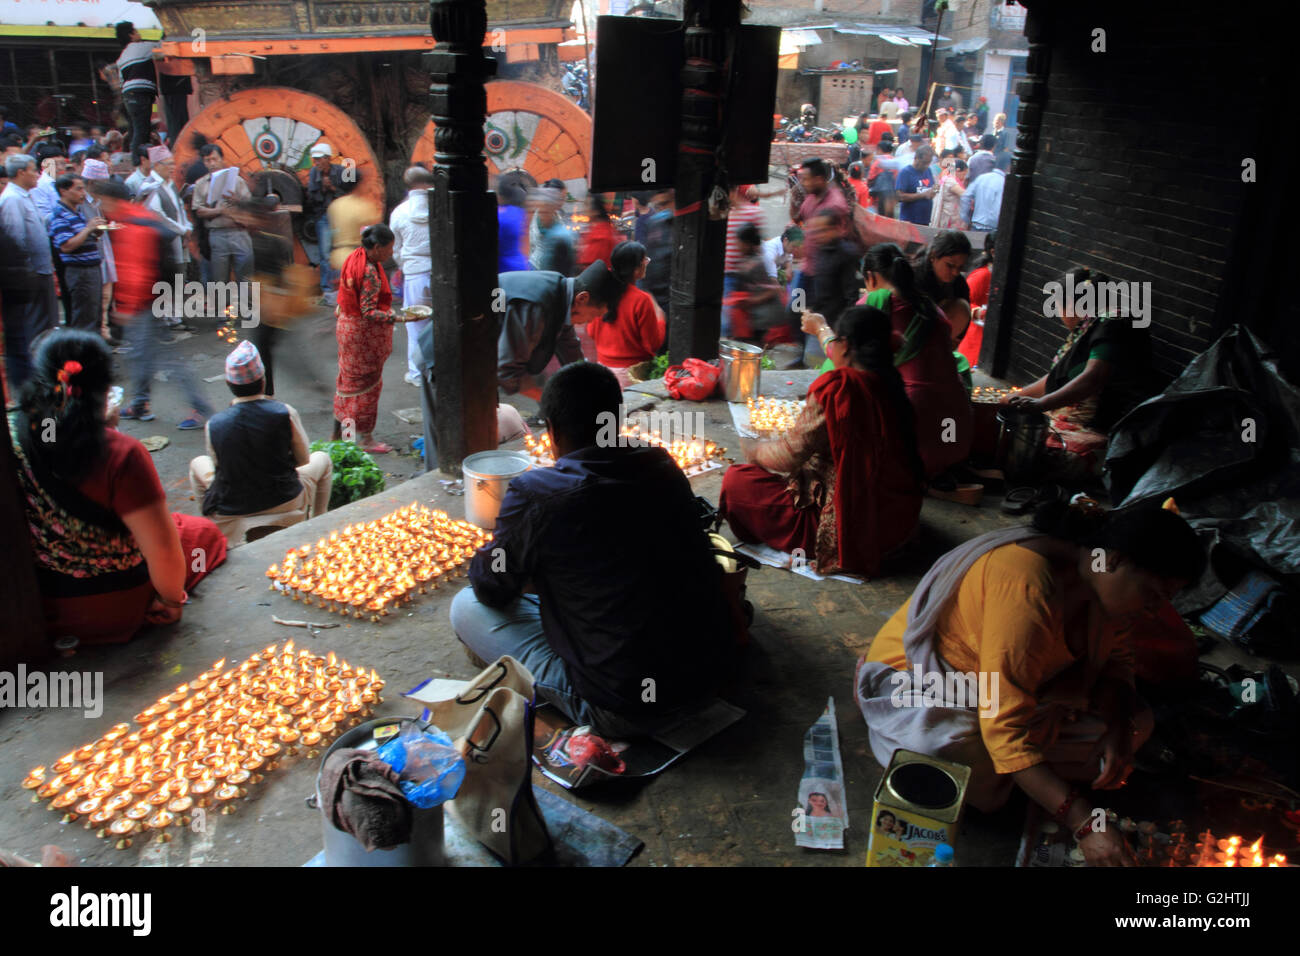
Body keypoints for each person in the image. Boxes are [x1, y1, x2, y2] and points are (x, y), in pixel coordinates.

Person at [855, 499, 1207, 864]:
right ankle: (1025, 777)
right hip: (933, 684)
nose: (1153, 610)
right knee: (938, 747)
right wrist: (1084, 821)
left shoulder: (1100, 586)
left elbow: (1117, 662)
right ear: (1115, 559)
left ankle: (1027, 777)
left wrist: (1119, 726)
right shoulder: (1026, 585)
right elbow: (1004, 727)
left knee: (1139, 724)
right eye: (1151, 595)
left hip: (1022, 694)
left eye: (1163, 600)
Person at [451, 361, 735, 737]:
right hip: (708, 674)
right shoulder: (660, 465)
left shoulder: (538, 493)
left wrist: (515, 558)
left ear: (551, 431)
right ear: (617, 421)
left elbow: (489, 586)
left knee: (466, 606)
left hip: (623, 707)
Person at [10, 330, 225, 643]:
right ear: (105, 388)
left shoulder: (20, 434)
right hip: (115, 607)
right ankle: (176, 598)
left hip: (43, 602)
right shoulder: (121, 454)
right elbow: (163, 551)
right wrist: (170, 600)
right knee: (205, 535)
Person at [721, 306, 925, 577]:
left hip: (852, 528)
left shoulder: (840, 389)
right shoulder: (892, 383)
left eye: (836, 341)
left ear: (846, 346)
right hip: (898, 522)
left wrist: (755, 449)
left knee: (737, 482)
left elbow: (786, 457)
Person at [810, 243, 971, 481]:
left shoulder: (875, 301)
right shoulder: (931, 307)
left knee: (839, 378)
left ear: (871, 278)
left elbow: (840, 353)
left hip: (914, 442)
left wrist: (820, 328)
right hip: (958, 434)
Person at [1000, 266, 1152, 479]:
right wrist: (1013, 397)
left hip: (1101, 429)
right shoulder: (1089, 327)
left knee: (1035, 452)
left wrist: (1041, 404)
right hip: (1070, 418)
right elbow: (1056, 378)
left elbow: (1093, 379)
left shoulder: (1113, 326)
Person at [188, 341, 333, 547]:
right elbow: (303, 460)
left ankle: (211, 533)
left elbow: (222, 467)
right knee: (322, 459)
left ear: (230, 385)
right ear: (263, 381)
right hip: (286, 499)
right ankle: (319, 522)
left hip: (232, 507)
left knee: (198, 463)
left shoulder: (214, 424)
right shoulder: (285, 412)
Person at [96, 179, 214, 429]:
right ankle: (140, 402)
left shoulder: (130, 226)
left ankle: (201, 408)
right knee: (141, 355)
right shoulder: (138, 217)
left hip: (142, 304)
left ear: (112, 200)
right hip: (151, 299)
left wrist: (126, 308)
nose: (100, 205)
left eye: (102, 200)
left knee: (165, 358)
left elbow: (134, 271)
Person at [492, 259, 611, 400]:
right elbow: (506, 371)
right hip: (470, 345)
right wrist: (549, 401)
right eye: (595, 315)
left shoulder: (563, 295)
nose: (591, 321)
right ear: (582, 298)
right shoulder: (536, 307)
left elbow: (571, 349)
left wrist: (589, 381)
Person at [333, 223, 398, 454]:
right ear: (378, 247)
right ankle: (364, 440)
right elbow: (368, 311)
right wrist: (394, 317)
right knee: (364, 392)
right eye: (389, 249)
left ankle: (341, 438)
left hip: (347, 329)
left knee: (347, 385)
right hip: (362, 337)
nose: (391, 253)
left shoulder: (355, 257)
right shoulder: (369, 270)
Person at [1, 154, 57, 391]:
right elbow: (16, 239)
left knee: (44, 324)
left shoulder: (24, 195)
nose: (38, 174)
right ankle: (32, 379)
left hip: (39, 271)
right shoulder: (12, 199)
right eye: (34, 169)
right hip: (28, 274)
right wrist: (27, 272)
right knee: (33, 327)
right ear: (21, 172)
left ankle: (42, 370)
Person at [581, 241, 664, 385]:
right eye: (644, 260)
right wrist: (661, 319)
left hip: (603, 369)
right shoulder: (642, 300)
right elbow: (653, 344)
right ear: (636, 270)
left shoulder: (601, 292)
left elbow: (591, 331)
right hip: (632, 375)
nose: (647, 262)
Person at [389, 166, 435, 387]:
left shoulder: (399, 213)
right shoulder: (442, 207)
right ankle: (440, 370)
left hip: (415, 274)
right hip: (443, 274)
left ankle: (417, 373)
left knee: (416, 324)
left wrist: (404, 265)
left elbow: (396, 249)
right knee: (442, 323)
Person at [48, 174, 106, 331]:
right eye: (78, 189)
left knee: (93, 314)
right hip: (80, 272)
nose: (83, 193)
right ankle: (82, 352)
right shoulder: (59, 215)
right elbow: (66, 246)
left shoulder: (76, 212)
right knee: (84, 317)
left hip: (91, 269)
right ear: (64, 191)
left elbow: (84, 240)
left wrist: (96, 232)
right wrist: (88, 229)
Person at [191, 143, 253, 286]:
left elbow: (249, 205)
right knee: (220, 279)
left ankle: (247, 307)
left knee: (245, 277)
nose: (212, 163)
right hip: (217, 233)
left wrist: (236, 201)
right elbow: (199, 210)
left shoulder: (237, 181)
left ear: (222, 159)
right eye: (208, 160)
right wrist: (220, 211)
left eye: (214, 159)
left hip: (239, 231)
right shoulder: (201, 184)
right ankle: (222, 307)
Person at [914, 229, 973, 347]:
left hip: (938, 346)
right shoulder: (915, 277)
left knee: (962, 307)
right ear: (933, 256)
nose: (956, 272)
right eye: (950, 265)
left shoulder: (959, 284)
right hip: (912, 341)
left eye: (960, 267)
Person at [723, 184, 766, 337]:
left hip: (745, 275)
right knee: (729, 320)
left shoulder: (754, 212)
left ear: (733, 191)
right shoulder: (724, 213)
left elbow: (758, 245)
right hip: (726, 273)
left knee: (739, 321)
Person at [305, 142, 344, 300]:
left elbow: (348, 193)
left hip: (340, 216)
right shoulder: (314, 173)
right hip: (323, 217)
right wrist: (322, 188)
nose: (317, 163)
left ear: (328, 158)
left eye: (319, 159)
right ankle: (327, 288)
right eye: (315, 160)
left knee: (340, 251)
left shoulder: (340, 171)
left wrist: (333, 188)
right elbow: (312, 198)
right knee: (325, 254)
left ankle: (341, 286)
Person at [113, 22, 159, 153]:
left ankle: (134, 155)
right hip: (141, 93)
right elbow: (162, 45)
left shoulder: (121, 57)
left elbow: (121, 82)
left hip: (128, 95)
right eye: (136, 31)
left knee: (135, 127)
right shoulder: (141, 47)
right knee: (142, 128)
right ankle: (139, 157)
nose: (139, 34)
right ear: (131, 35)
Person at [327, 172, 380, 279]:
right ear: (358, 185)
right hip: (358, 261)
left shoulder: (334, 206)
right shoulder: (364, 206)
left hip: (337, 259)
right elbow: (372, 235)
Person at [958, 231, 995, 368]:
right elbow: (965, 301)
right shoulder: (981, 275)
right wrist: (980, 312)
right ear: (993, 252)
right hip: (975, 337)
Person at [528, 186, 575, 276]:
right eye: (541, 211)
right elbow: (532, 246)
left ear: (553, 209)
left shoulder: (562, 234)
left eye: (546, 211)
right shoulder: (534, 222)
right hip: (535, 267)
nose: (542, 216)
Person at [496, 169, 533, 273]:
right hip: (521, 266)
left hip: (504, 270)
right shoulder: (519, 213)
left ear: (500, 195)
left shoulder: (499, 216)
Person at [962, 152, 1009, 231]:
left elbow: (965, 197)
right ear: (1008, 166)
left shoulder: (982, 178)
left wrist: (966, 218)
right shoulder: (1004, 183)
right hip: (992, 228)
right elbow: (998, 208)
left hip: (976, 225)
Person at [894, 145, 937, 225]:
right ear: (916, 158)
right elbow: (900, 196)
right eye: (924, 163)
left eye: (929, 163)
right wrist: (923, 195)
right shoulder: (905, 173)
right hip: (909, 221)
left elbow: (934, 187)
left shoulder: (928, 171)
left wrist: (935, 190)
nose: (926, 165)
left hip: (925, 220)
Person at [577, 193, 618, 271]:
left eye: (586, 205)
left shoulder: (601, 236)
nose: (584, 209)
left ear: (596, 211)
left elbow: (591, 269)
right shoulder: (599, 229)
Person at [930, 158, 968, 230]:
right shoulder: (950, 181)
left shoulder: (944, 177)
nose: (964, 177)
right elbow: (965, 195)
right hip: (948, 217)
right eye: (964, 173)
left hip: (947, 214)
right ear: (958, 170)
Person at [866, 138, 900, 218]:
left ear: (880, 149)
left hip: (879, 199)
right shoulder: (895, 161)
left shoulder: (878, 161)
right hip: (892, 198)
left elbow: (870, 178)